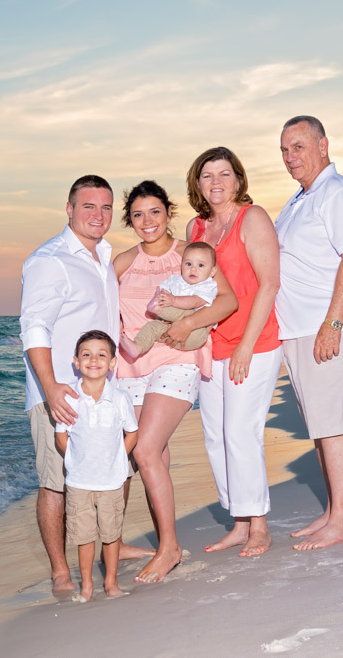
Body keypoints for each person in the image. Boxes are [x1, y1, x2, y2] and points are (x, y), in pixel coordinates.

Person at [20, 175, 150, 595]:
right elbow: (34, 327)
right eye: (89, 206)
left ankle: (113, 541)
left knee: (116, 469)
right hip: (62, 394)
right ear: (70, 209)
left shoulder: (105, 256)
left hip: (108, 390)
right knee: (58, 479)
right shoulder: (50, 259)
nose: (98, 215)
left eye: (106, 207)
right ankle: (61, 569)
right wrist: (51, 387)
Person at [113, 180, 238, 583]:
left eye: (154, 212)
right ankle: (166, 542)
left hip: (179, 358)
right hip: (132, 364)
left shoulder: (192, 254)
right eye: (137, 214)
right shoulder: (121, 262)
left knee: (146, 450)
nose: (146, 221)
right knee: (152, 455)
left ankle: (168, 549)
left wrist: (187, 324)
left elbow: (227, 301)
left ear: (168, 212)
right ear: (128, 220)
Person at [275, 115, 343, 550]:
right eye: (284, 150)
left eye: (298, 146)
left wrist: (331, 324)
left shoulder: (337, 192)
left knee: (332, 423)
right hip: (298, 329)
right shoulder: (299, 200)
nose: (290, 157)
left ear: (323, 145)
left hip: (326, 326)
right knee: (319, 423)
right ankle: (332, 511)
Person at [185, 147, 283, 558]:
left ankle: (258, 524)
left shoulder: (253, 217)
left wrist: (244, 346)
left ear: (238, 180)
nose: (216, 182)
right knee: (215, 435)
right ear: (198, 183)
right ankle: (239, 522)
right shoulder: (195, 227)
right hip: (212, 348)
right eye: (207, 175)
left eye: (224, 174)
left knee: (241, 432)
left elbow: (269, 284)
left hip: (254, 343)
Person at [55, 330, 139, 601]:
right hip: (79, 481)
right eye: (86, 355)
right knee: (84, 536)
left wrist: (117, 457)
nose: (94, 360)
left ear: (112, 363)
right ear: (76, 362)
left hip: (111, 481)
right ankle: (87, 585)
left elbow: (132, 433)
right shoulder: (68, 399)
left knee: (111, 535)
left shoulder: (120, 398)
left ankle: (111, 583)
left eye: (102, 355)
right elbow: (61, 436)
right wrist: (76, 459)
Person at [120, 241, 219, 360]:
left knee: (186, 311)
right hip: (172, 329)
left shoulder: (207, 285)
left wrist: (173, 300)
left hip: (197, 330)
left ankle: (159, 308)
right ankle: (138, 347)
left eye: (201, 265)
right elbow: (162, 289)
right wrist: (160, 295)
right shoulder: (176, 279)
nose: (193, 269)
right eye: (188, 264)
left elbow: (195, 302)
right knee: (153, 327)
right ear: (181, 265)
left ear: (212, 271)